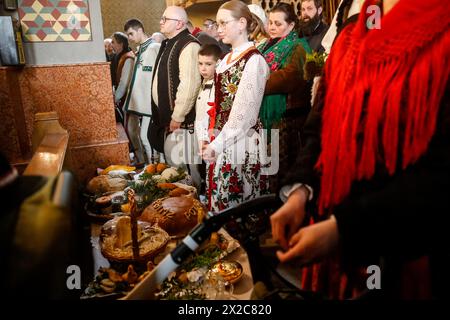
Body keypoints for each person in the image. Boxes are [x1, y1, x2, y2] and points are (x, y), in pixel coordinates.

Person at [271, 0, 450, 298]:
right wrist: (301, 190)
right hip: (337, 242)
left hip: (408, 256)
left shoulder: (440, 31)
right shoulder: (353, 31)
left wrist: (346, 228)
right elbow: (322, 125)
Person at [200, 0, 270, 212]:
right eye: (217, 24)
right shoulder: (226, 59)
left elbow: (244, 115)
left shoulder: (254, 61)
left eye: (223, 23)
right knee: (219, 204)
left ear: (241, 23)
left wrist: (217, 144)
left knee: (236, 210)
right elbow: (213, 103)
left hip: (241, 142)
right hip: (221, 139)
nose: (219, 29)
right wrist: (205, 136)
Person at [258, 2, 312, 192]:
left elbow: (289, 78)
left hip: (286, 121)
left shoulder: (298, 47)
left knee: (281, 171)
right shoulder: (265, 45)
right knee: (268, 168)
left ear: (291, 26)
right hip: (267, 119)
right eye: (271, 22)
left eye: (278, 24)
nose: (272, 27)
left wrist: (254, 82)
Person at [149, 6, 201, 167]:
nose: (161, 22)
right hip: (170, 120)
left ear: (179, 24)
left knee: (185, 170)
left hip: (182, 122)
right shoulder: (170, 43)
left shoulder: (189, 45)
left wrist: (178, 116)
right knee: (175, 167)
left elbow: (190, 84)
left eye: (165, 19)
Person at [123, 18, 161, 164]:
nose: (130, 38)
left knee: (146, 137)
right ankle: (151, 166)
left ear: (140, 30)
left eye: (131, 34)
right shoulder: (142, 49)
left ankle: (154, 167)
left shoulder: (154, 47)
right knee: (144, 136)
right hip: (143, 101)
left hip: (151, 101)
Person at [194, 44, 222, 192]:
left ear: (218, 63)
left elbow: (209, 116)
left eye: (208, 64)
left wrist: (205, 140)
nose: (203, 68)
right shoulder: (205, 82)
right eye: (200, 64)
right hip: (202, 138)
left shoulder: (218, 86)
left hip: (212, 139)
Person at [110, 32, 134, 124]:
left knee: (131, 129)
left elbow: (124, 82)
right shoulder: (118, 57)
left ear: (121, 44)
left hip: (129, 99)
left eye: (113, 42)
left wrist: (115, 98)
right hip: (121, 98)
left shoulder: (128, 58)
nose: (111, 45)